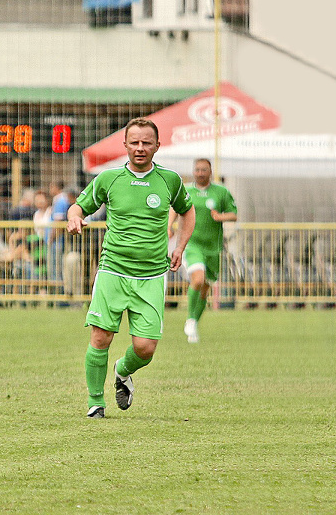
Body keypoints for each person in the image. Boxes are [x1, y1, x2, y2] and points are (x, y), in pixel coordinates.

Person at [67, 118, 195, 419]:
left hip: (151, 275)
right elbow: (78, 206)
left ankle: (122, 371)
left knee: (146, 348)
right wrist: (74, 219)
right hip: (113, 270)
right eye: (134, 142)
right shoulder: (109, 179)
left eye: (146, 142)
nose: (140, 148)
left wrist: (179, 247)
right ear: (125, 145)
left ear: (157, 146)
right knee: (100, 337)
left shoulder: (169, 180)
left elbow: (188, 212)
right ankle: (95, 403)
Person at [169, 158, 237, 343]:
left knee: (205, 288)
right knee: (197, 279)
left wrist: (220, 217)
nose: (200, 173)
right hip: (192, 244)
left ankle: (194, 323)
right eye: (197, 169)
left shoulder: (220, 192)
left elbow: (234, 214)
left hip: (213, 248)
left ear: (210, 171)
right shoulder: (186, 190)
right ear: (194, 171)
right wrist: (169, 225)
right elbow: (174, 209)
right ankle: (190, 320)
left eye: (204, 170)